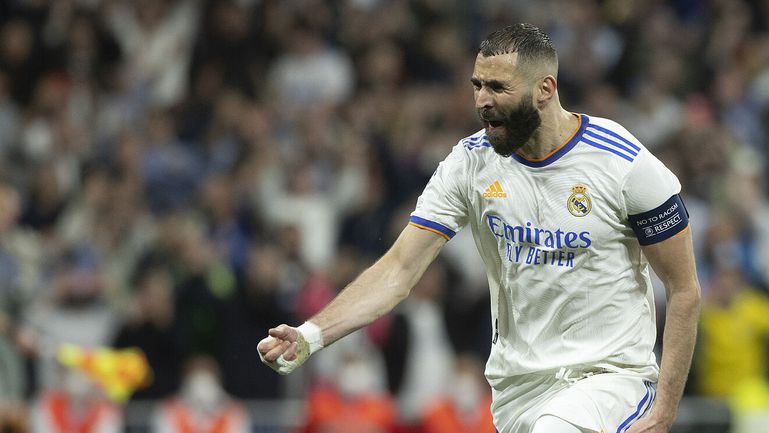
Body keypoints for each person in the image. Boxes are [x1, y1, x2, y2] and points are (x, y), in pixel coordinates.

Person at [258, 23, 701, 433]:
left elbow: (684, 289)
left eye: (498, 87)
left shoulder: (623, 163)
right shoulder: (469, 165)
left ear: (545, 89)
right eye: (477, 85)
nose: (482, 101)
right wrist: (310, 336)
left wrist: (664, 412)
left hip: (609, 380)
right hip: (516, 392)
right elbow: (399, 270)